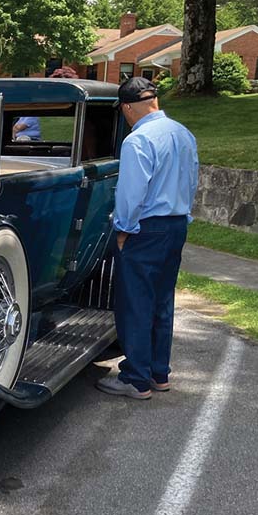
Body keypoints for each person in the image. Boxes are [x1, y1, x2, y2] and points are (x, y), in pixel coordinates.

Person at [96, 76, 199, 400]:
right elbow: (192, 179)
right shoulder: (183, 134)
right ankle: (158, 372)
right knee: (162, 300)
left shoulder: (137, 140)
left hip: (146, 227)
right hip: (176, 224)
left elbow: (131, 192)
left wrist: (124, 229)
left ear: (127, 107)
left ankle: (135, 378)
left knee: (136, 303)